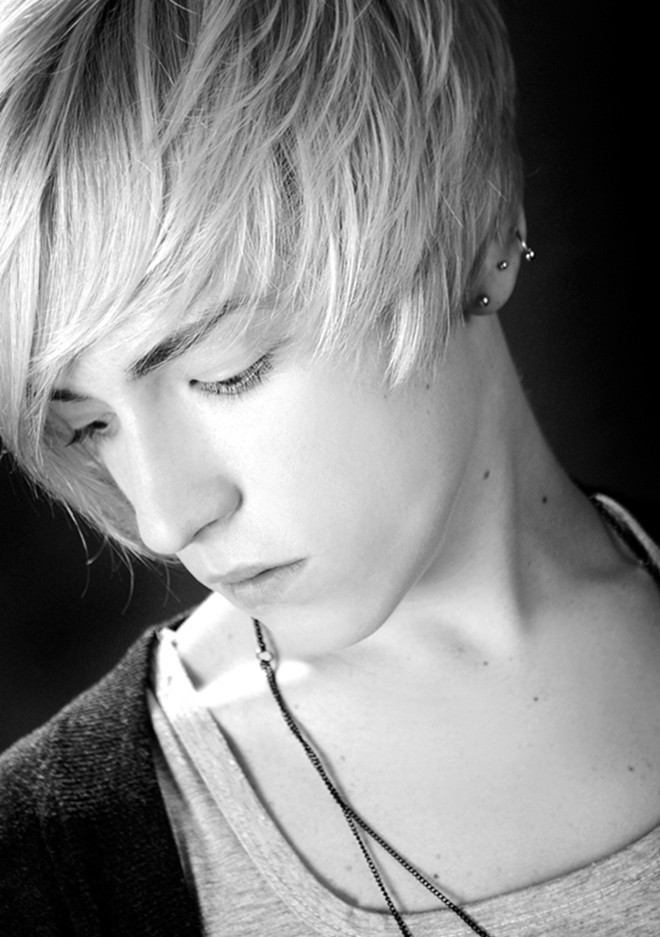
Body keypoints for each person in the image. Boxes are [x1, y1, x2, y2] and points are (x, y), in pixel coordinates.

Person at [0, 1, 658, 935]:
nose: (165, 519)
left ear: (478, 235)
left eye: (225, 372)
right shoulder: (39, 872)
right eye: (91, 426)